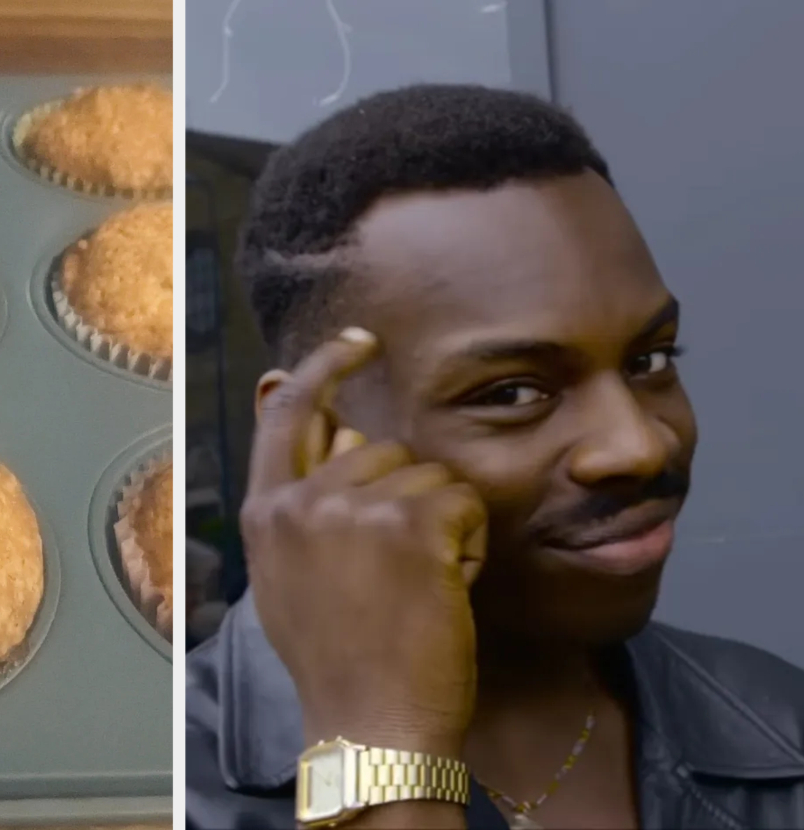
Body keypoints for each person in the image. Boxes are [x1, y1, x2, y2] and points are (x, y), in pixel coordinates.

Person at [186, 84, 804, 830]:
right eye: (513, 393)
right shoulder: (168, 784)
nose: (641, 444)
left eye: (650, 360)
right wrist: (384, 755)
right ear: (310, 437)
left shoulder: (779, 725)